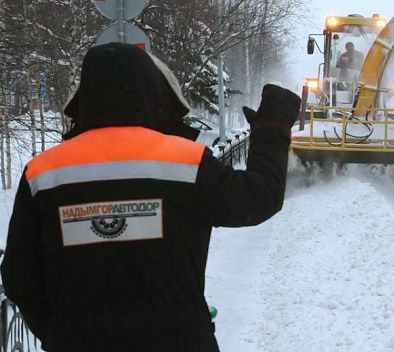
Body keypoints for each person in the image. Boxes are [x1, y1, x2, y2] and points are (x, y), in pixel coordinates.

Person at [0, 43, 301, 352]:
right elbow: (259, 198)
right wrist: (272, 128)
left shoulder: (43, 173)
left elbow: (19, 278)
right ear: (155, 92)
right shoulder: (186, 163)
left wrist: (61, 334)